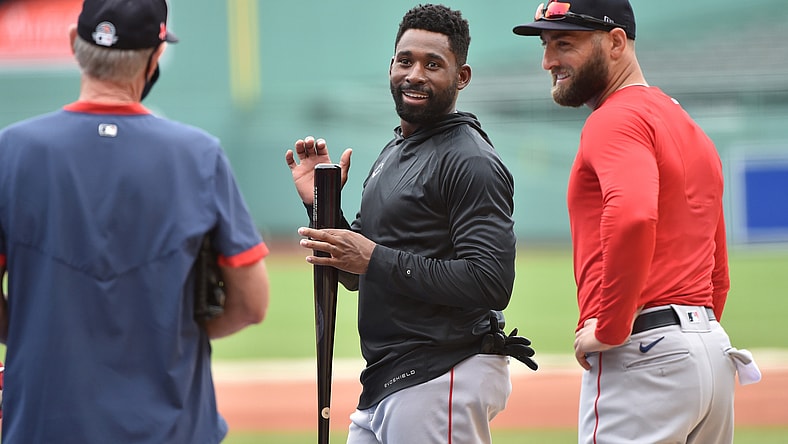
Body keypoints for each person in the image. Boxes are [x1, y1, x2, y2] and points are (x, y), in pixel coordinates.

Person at [0, 0, 270, 442]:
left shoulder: (10, 151)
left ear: (74, 42)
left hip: (43, 424)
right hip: (171, 428)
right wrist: (172, 341)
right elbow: (252, 304)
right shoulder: (198, 156)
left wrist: (36, 337)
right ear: (155, 56)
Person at [512, 1, 761, 443]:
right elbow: (717, 269)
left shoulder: (615, 118)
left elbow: (632, 217)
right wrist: (692, 343)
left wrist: (611, 326)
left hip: (645, 357)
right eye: (546, 45)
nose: (548, 60)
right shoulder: (688, 127)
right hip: (710, 352)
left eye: (564, 44)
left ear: (616, 42)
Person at [285, 4, 536, 443]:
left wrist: (374, 258)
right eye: (406, 61)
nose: (415, 74)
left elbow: (491, 282)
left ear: (462, 77)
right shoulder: (394, 151)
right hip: (388, 379)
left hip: (442, 373)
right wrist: (321, 205)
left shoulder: (470, 159)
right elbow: (356, 272)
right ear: (391, 65)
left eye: (433, 64)